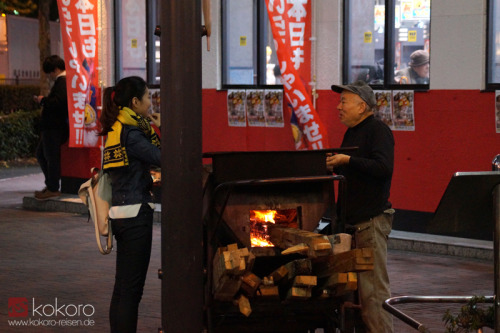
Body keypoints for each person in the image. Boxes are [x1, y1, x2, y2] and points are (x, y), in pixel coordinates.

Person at [326, 80, 395, 333]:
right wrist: (337, 163)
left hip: (370, 224)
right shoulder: (352, 132)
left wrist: (348, 160)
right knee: (355, 297)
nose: (338, 106)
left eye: (344, 101)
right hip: (351, 225)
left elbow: (382, 167)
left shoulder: (378, 130)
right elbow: (354, 167)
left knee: (374, 297)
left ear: (362, 106)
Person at [99, 76, 161, 333]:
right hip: (135, 216)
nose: (150, 103)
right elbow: (163, 157)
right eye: (147, 97)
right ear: (135, 102)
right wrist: (162, 127)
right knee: (131, 292)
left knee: (122, 287)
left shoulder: (118, 128)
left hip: (121, 214)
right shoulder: (133, 133)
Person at [34, 55, 70, 200]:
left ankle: (53, 187)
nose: (49, 76)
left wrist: (43, 101)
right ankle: (51, 185)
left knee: (49, 156)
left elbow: (58, 102)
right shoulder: (63, 81)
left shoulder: (62, 81)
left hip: (54, 127)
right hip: (54, 127)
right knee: (43, 154)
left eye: (50, 72)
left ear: (55, 69)